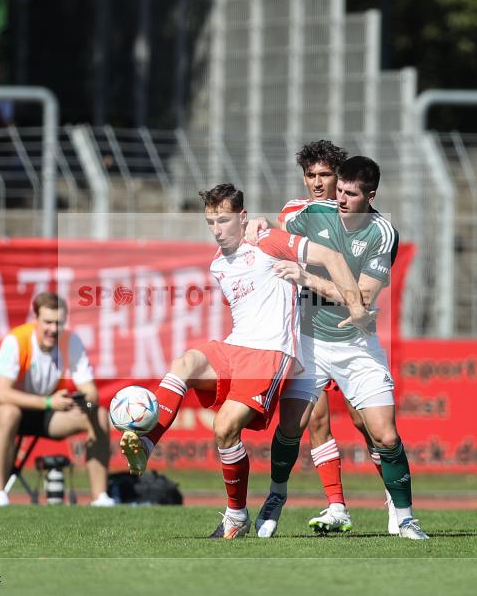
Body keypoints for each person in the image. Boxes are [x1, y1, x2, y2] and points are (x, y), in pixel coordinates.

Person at [118, 183, 369, 539]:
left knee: (226, 428)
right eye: (211, 222)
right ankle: (146, 443)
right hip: (236, 347)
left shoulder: (268, 241)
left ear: (243, 217)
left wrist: (353, 301)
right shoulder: (219, 265)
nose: (217, 229)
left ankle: (239, 514)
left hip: (270, 353)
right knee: (186, 361)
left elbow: (329, 256)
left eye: (223, 220)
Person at [248, 156, 429, 540]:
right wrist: (258, 227)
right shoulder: (313, 212)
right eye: (339, 190)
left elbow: (359, 300)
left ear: (371, 195)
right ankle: (276, 498)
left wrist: (306, 276)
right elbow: (275, 227)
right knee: (291, 430)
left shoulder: (382, 233)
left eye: (349, 193)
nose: (340, 199)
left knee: (385, 435)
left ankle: (406, 517)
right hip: (310, 343)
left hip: (357, 344)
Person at [0, 291, 114, 507]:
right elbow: (2, 394)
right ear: (36, 319)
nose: (53, 329)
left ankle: (100, 498)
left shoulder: (71, 341)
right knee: (10, 412)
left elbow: (91, 393)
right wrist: (49, 403)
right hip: (4, 411)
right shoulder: (16, 340)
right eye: (48, 322)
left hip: (48, 413)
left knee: (100, 414)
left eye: (59, 323)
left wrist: (84, 404)